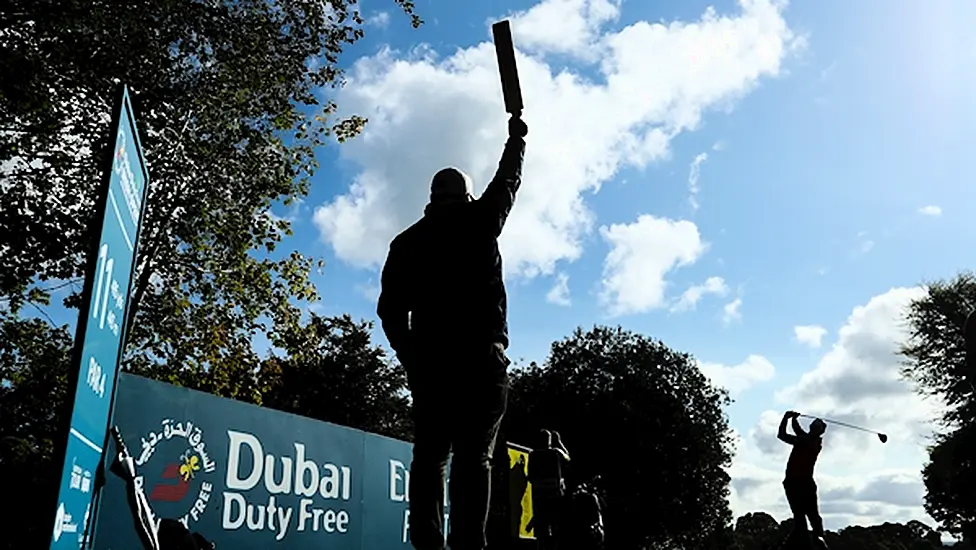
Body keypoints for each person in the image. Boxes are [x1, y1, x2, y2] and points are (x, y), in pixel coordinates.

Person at [377, 114, 528, 550]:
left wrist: (412, 359)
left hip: (433, 365)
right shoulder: (482, 220)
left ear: (430, 199)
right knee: (473, 460)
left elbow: (390, 313)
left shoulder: (406, 243)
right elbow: (508, 181)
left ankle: (427, 546)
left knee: (429, 461)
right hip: (482, 360)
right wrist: (516, 138)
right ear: (466, 194)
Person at [778, 411, 828, 550]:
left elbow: (781, 435)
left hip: (795, 484)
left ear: (816, 430)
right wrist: (793, 419)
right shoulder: (814, 441)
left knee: (801, 520)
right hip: (805, 484)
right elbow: (799, 431)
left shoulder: (805, 441)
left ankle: (811, 544)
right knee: (812, 519)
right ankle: (819, 543)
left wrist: (786, 419)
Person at [527, 429, 571, 548]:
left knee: (542, 525)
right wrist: (560, 442)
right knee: (555, 523)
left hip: (539, 494)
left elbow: (530, 476)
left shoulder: (532, 455)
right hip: (554, 493)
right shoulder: (555, 452)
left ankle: (543, 546)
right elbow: (568, 457)